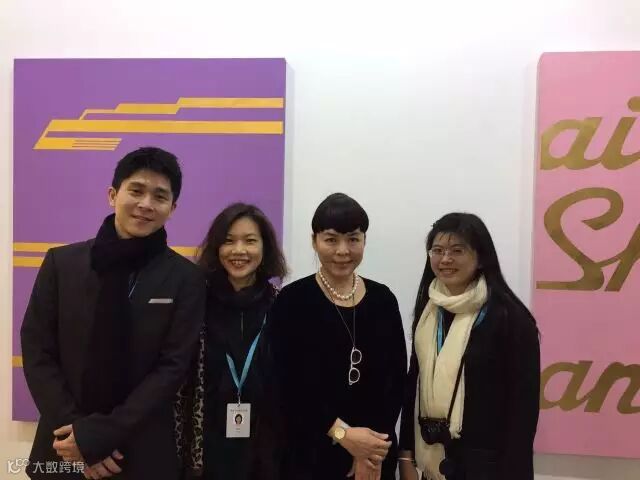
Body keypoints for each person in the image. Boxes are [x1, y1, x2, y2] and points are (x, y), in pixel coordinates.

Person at [20, 147, 206, 480]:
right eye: (136, 190)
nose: (146, 204)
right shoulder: (62, 264)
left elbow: (172, 367)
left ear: (172, 208)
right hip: (63, 445)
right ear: (112, 195)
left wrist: (101, 436)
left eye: (159, 196)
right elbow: (37, 350)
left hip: (141, 449)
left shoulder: (186, 278)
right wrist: (78, 436)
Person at [271, 193, 407, 480]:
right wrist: (344, 436)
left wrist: (369, 451)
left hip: (374, 458)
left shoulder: (383, 299)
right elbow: (288, 386)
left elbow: (394, 383)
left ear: (364, 241)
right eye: (331, 239)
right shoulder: (292, 301)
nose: (343, 251)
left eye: (353, 239)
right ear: (314, 241)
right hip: (310, 454)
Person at [398, 213, 540, 480]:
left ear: (481, 257)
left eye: (457, 250)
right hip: (433, 463)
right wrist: (405, 455)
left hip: (488, 468)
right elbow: (413, 384)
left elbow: (523, 412)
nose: (445, 259)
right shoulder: (429, 311)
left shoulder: (510, 318)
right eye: (437, 250)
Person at [179, 203, 287, 480]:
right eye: (228, 241)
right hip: (206, 448)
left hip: (266, 447)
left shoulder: (282, 306)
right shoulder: (196, 303)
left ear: (265, 248)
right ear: (217, 248)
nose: (239, 250)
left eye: (250, 241)